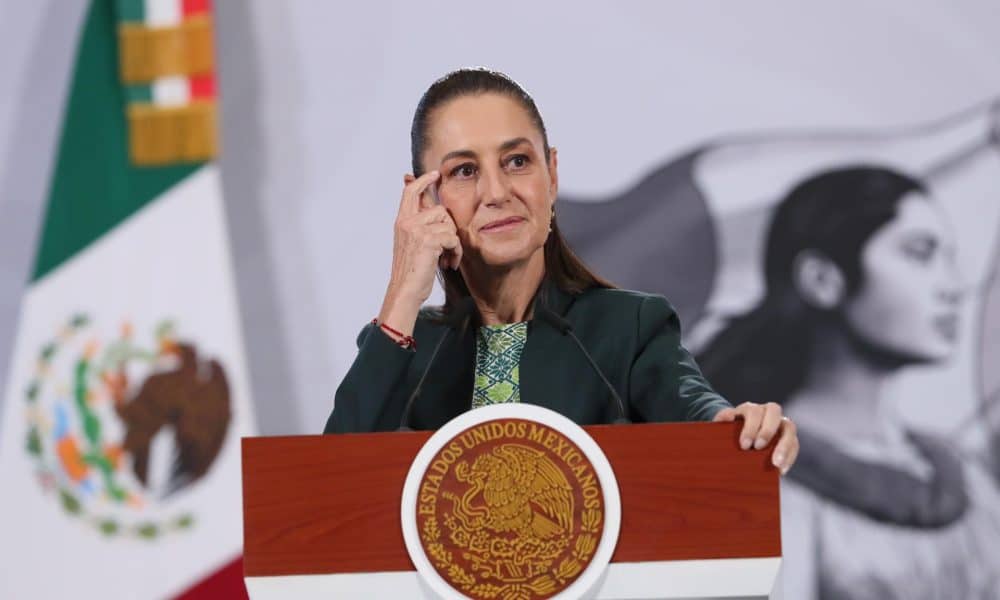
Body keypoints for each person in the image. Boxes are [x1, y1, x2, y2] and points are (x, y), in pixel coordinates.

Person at [323, 68, 797, 476]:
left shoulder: (629, 328)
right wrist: (404, 292)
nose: (497, 191)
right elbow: (329, 486)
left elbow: (693, 407)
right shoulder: (403, 347)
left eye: (517, 161)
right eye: (464, 171)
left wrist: (736, 427)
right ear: (424, 198)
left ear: (551, 174)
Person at [697, 166, 1000, 599]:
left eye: (950, 258)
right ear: (823, 279)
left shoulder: (968, 478)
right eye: (920, 253)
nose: (952, 286)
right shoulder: (755, 476)